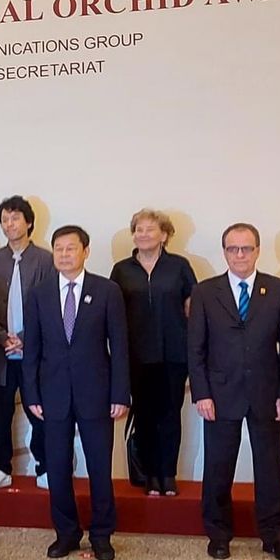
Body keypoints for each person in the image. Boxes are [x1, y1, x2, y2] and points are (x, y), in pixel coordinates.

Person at [188, 223, 280, 560]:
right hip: (220, 394)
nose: (240, 255)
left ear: (258, 251)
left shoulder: (279, 290)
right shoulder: (205, 292)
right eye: (233, 248)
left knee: (271, 469)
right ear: (224, 252)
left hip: (267, 393)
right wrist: (201, 393)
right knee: (218, 467)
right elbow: (196, 348)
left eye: (246, 248)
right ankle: (218, 536)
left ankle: (275, 537)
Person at [24, 225, 130, 560]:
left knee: (99, 468)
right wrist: (31, 394)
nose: (64, 254)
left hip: (96, 393)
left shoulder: (107, 291)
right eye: (58, 248)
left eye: (71, 248)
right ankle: (66, 533)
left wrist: (120, 394)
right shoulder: (39, 293)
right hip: (52, 395)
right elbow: (32, 349)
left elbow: (120, 347)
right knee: (57, 468)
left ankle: (102, 535)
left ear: (86, 251)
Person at [110, 208, 196, 496]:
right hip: (136, 356)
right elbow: (113, 314)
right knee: (144, 416)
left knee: (170, 415)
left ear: (164, 235)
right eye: (139, 229)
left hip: (174, 354)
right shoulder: (122, 270)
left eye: (150, 229)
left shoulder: (179, 266)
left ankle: (168, 474)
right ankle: (149, 475)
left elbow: (192, 307)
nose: (143, 234)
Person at [0, 195, 53, 491]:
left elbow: (50, 305)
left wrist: (24, 339)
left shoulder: (46, 260)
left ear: (29, 222)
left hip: (36, 352)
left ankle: (46, 466)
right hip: (0, 353)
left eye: (15, 218)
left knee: (41, 412)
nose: (10, 224)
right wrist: (1, 337)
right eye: (5, 219)